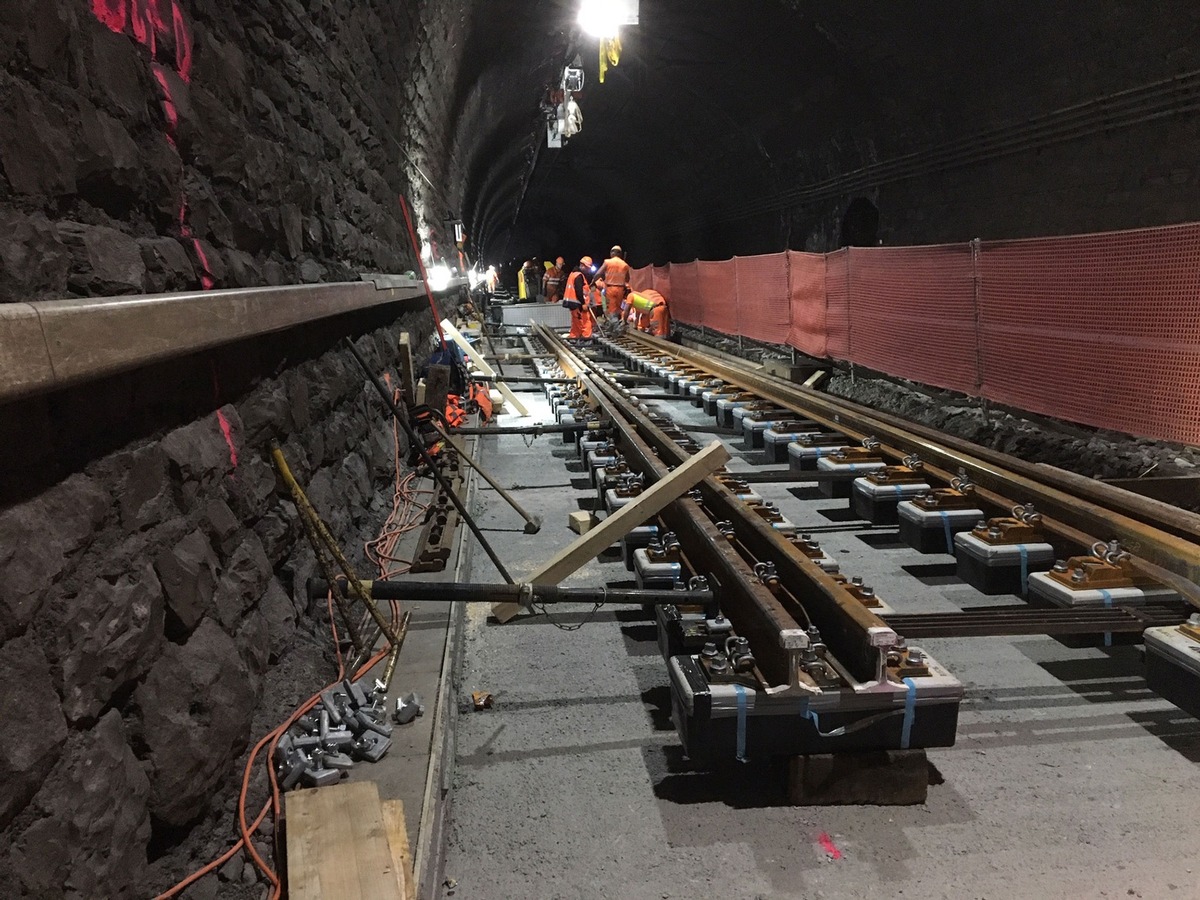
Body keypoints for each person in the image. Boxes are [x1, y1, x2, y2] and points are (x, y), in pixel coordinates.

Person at [593, 245, 631, 320]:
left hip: (610, 289)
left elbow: (598, 274)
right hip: (620, 290)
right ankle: (617, 324)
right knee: (617, 309)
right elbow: (627, 279)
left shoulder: (607, 262)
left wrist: (592, 281)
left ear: (612, 253)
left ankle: (612, 327)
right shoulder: (625, 265)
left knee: (610, 309)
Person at [563, 257, 595, 341]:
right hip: (578, 303)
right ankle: (586, 339)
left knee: (576, 322)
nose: (588, 271)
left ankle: (574, 337)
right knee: (585, 321)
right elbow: (579, 291)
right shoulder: (578, 276)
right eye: (588, 268)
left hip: (573, 303)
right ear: (582, 266)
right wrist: (583, 303)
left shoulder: (573, 274)